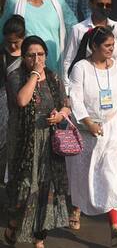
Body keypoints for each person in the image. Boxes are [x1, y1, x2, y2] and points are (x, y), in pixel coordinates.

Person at [68, 26, 117, 247]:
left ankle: (115, 228)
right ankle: (76, 208)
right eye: (107, 45)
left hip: (113, 128)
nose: (111, 49)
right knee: (83, 174)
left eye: (113, 45)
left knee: (110, 175)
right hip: (86, 131)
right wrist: (87, 121)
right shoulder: (81, 68)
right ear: (94, 46)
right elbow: (75, 98)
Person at [4, 35, 70, 248]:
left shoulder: (53, 78)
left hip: (49, 144)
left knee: (45, 189)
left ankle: (38, 239)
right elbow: (22, 100)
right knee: (24, 190)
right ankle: (14, 224)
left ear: (46, 55)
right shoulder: (16, 76)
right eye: (31, 55)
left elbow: (66, 105)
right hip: (24, 145)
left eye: (40, 54)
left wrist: (60, 115)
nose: (37, 59)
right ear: (24, 58)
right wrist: (33, 75)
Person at [0, 0, 77, 75]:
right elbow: (3, 31)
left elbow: (73, 26)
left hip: (54, 64)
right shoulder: (14, 0)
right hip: (25, 66)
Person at [0, 15, 25, 186]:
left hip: (21, 105)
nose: (13, 46)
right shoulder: (1, 53)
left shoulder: (29, 55)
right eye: (9, 42)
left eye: (16, 42)